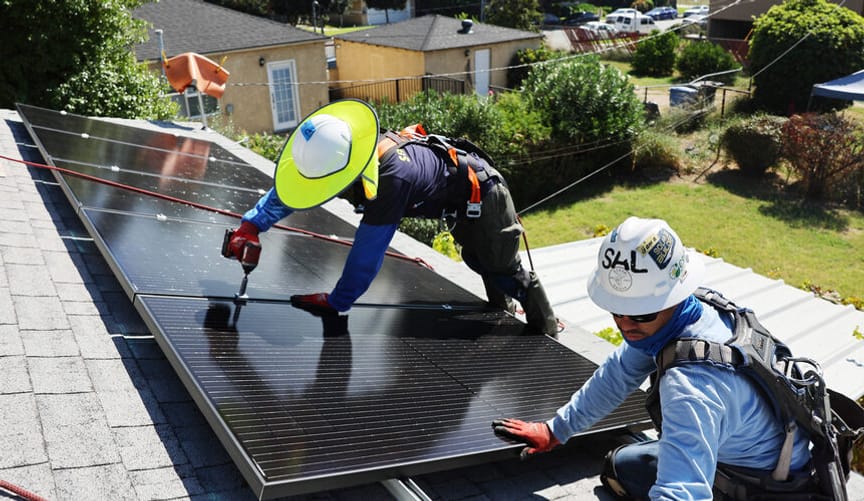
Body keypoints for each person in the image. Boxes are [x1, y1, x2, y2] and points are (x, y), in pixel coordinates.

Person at [492, 216, 813, 499]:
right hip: (768, 452)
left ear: (673, 295)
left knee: (628, 470)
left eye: (640, 313)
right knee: (623, 464)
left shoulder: (691, 386)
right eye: (617, 310)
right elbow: (618, 374)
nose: (625, 324)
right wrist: (555, 430)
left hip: (762, 483)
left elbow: (683, 494)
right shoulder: (689, 311)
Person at [223, 99, 559, 336]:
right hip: (461, 200)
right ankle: (501, 312)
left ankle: (547, 331)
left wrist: (337, 301)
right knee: (478, 260)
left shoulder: (391, 180)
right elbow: (294, 189)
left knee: (503, 270)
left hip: (484, 196)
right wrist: (251, 225)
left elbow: (367, 254)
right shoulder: (351, 148)